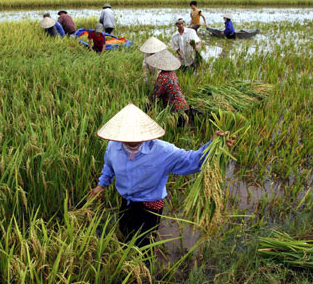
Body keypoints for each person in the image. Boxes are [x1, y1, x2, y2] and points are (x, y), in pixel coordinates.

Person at [89, 104, 235, 247]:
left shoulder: (163, 151)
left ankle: (143, 268)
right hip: (126, 202)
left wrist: (214, 145)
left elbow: (192, 160)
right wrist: (101, 186)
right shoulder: (113, 147)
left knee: (144, 245)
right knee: (124, 234)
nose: (131, 138)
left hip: (150, 206)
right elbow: (109, 166)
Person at [146, 49, 190, 127]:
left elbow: (156, 94)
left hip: (176, 110)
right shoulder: (172, 74)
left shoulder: (163, 77)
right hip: (183, 106)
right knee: (180, 132)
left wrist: (147, 107)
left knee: (176, 132)